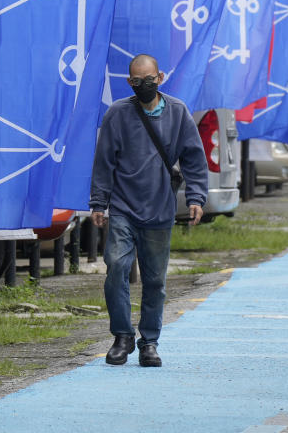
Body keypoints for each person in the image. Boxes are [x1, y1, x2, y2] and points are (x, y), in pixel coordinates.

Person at [89, 53, 209, 367]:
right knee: (116, 267)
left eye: (150, 79)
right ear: (130, 82)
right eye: (139, 81)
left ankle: (149, 342)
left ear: (161, 77)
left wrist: (196, 198)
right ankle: (122, 336)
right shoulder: (118, 114)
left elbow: (194, 159)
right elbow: (104, 162)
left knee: (155, 280)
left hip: (159, 209)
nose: (145, 84)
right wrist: (98, 203)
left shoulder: (178, 112)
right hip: (124, 208)